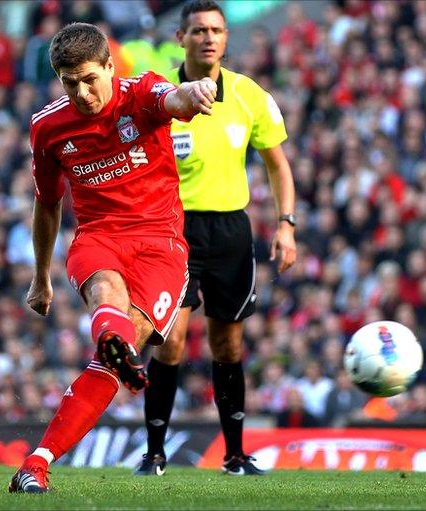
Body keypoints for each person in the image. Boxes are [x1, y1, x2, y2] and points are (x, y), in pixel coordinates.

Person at [8, 22, 217, 493]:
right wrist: (41, 277)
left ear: (109, 66)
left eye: (89, 79)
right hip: (98, 236)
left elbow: (176, 99)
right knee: (106, 291)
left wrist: (198, 89)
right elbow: (47, 203)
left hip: (161, 245)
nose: (82, 93)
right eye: (69, 82)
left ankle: (35, 463)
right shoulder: (48, 126)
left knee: (119, 344)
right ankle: (112, 341)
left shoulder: (139, 93)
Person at [136, 0, 296, 477]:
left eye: (217, 30)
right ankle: (155, 453)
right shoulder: (158, 94)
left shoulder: (250, 96)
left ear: (226, 39)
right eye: (199, 30)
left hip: (230, 230)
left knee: (227, 346)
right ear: (181, 38)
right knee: (172, 342)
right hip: (173, 231)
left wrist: (286, 224)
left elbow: (277, 165)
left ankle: (235, 455)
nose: (208, 37)